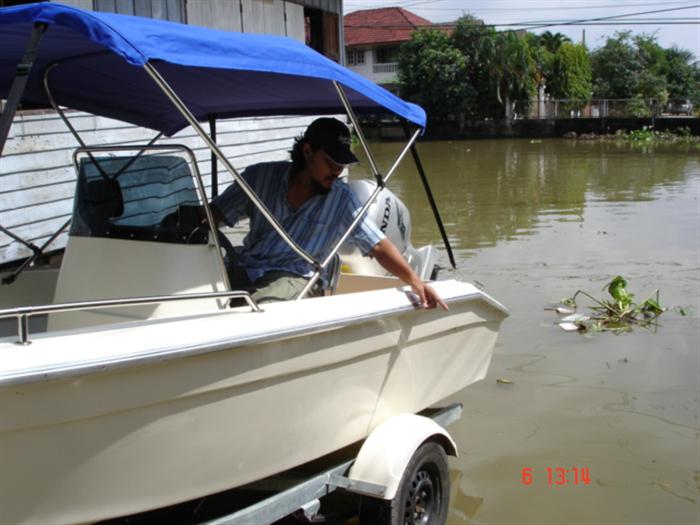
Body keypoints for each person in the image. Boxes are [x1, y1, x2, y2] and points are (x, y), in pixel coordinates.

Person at [210, 117, 447, 310]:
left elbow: (378, 245)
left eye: (342, 164)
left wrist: (416, 282)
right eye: (331, 161)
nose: (338, 171)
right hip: (246, 264)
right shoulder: (258, 178)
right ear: (307, 151)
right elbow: (213, 214)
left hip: (298, 276)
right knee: (199, 294)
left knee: (260, 309)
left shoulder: (343, 200)